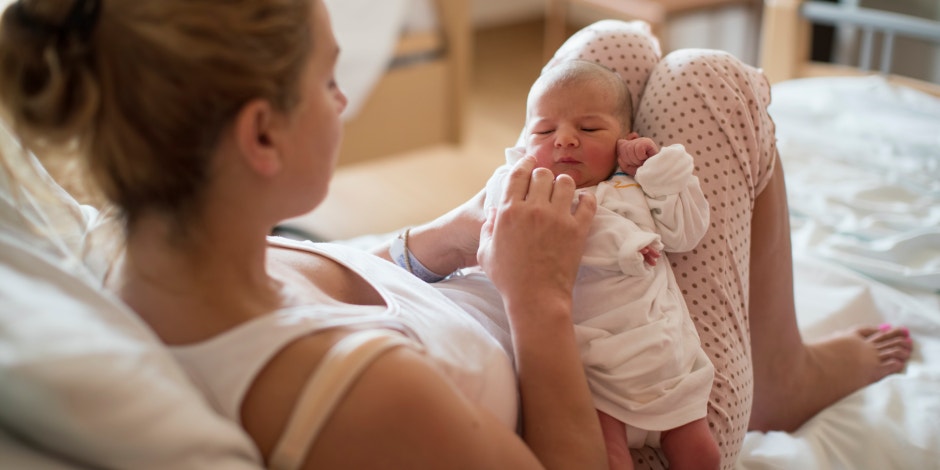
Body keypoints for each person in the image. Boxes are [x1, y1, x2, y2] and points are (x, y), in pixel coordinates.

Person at [0, 0, 912, 467]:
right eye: (327, 82)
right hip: (622, 390)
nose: (343, 99)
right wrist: (537, 296)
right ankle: (773, 377)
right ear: (262, 135)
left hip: (518, 276)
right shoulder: (361, 400)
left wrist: (438, 240)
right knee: (710, 82)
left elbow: (368, 289)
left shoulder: (141, 251)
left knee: (612, 55)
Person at [455, 59, 719, 470]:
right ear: (524, 144)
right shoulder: (531, 198)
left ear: (623, 140)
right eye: (544, 131)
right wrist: (625, 248)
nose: (564, 141)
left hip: (664, 363)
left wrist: (657, 170)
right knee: (610, 458)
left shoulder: (633, 187)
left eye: (589, 129)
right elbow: (513, 233)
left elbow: (688, 233)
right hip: (593, 372)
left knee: (704, 455)